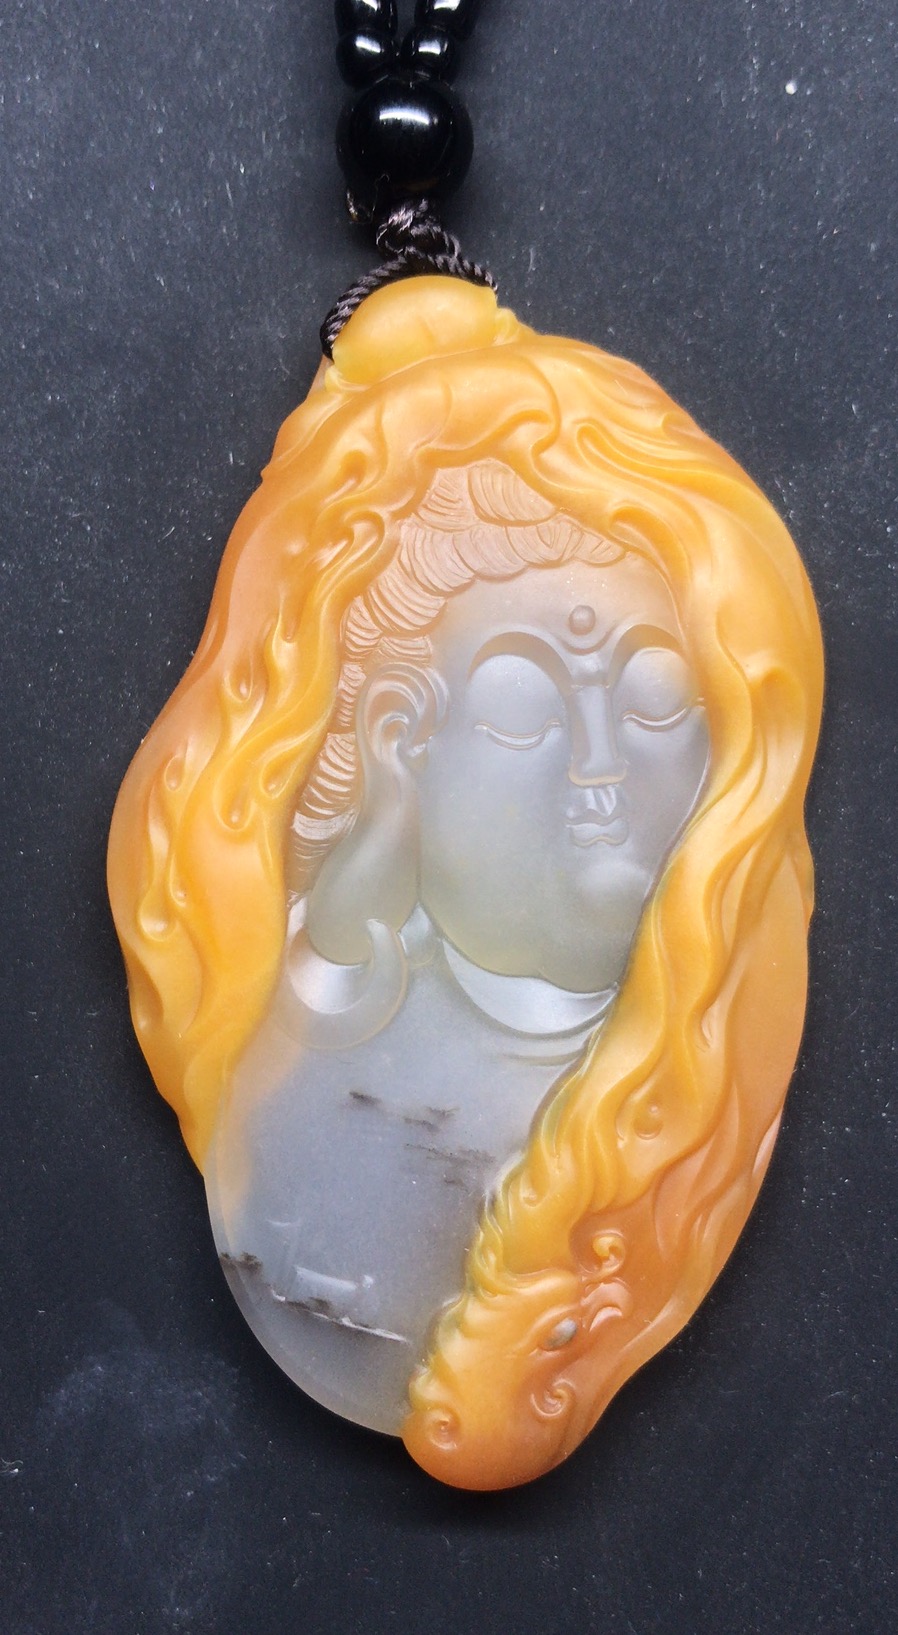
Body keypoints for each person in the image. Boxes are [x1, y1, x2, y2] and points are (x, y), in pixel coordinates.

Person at [108, 276, 823, 1488]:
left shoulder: (704, 1062)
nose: (599, 769)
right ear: (396, 743)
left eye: (655, 703)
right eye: (520, 713)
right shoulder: (316, 1093)